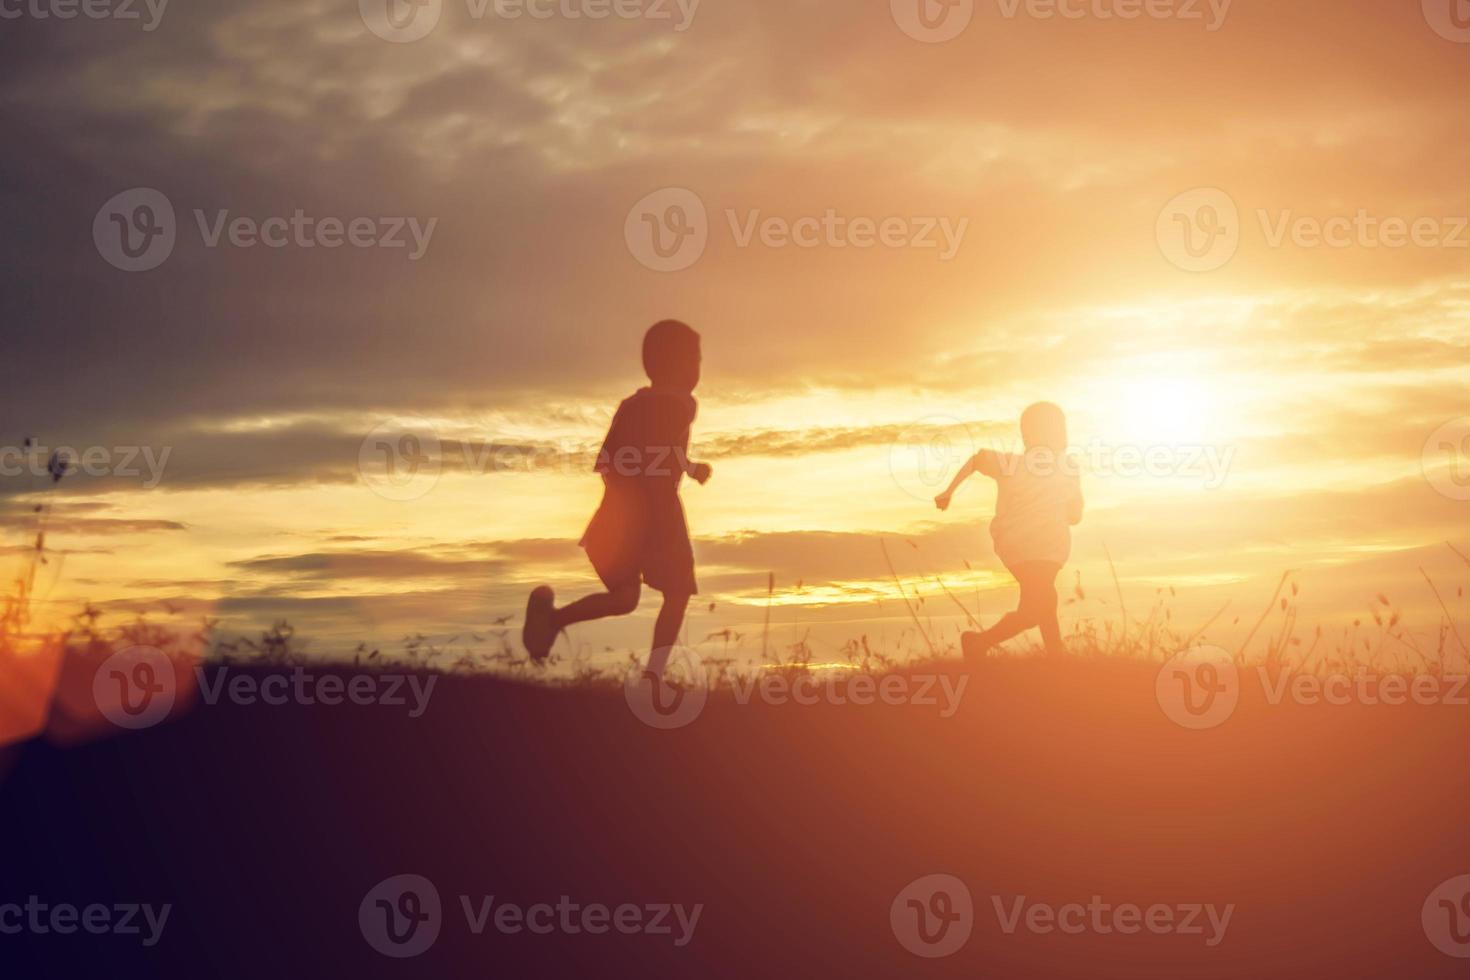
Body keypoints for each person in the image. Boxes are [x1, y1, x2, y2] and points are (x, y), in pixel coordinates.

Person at [522, 320, 711, 677]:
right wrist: (687, 468)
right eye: (695, 360)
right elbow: (659, 446)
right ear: (674, 364)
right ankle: (654, 675)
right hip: (654, 513)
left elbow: (611, 461)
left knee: (626, 599)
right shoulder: (682, 404)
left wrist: (678, 468)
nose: (698, 370)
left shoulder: (631, 405)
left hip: (622, 512)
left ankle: (552, 620)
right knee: (677, 591)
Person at [934, 402, 1083, 659]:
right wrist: (948, 491)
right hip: (1030, 547)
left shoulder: (1024, 465)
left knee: (1043, 602)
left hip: (1038, 547)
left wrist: (949, 492)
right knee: (1038, 604)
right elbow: (1075, 515)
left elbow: (1074, 514)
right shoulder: (1040, 465)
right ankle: (980, 642)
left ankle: (1055, 657)